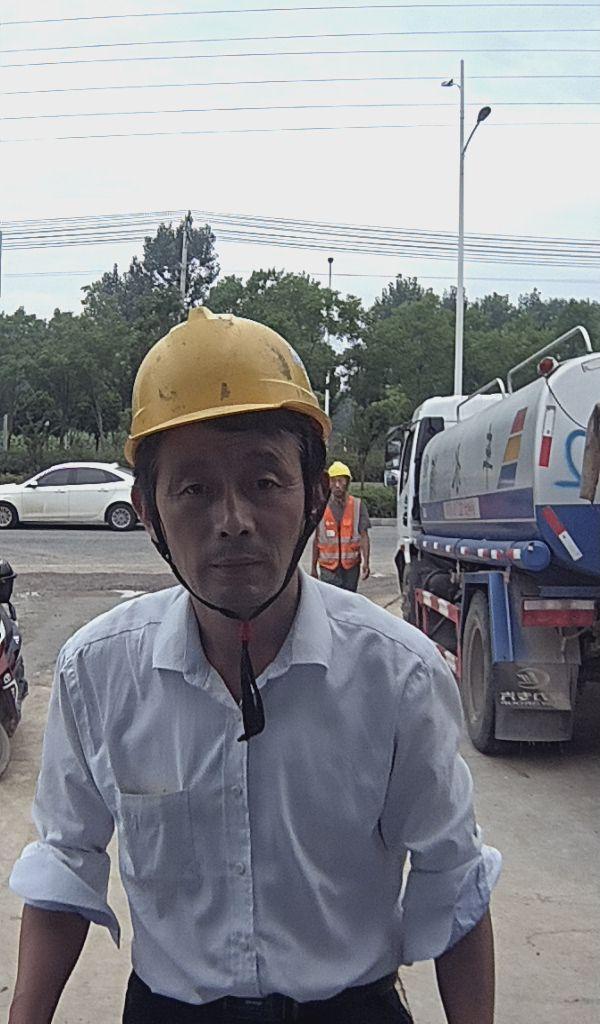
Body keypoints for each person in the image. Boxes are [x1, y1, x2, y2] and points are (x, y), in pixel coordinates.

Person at [9, 307, 500, 1024]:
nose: (233, 519)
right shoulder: (98, 673)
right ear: (147, 511)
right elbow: (66, 863)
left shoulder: (398, 675)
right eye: (194, 489)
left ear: (313, 496)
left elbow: (452, 879)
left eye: (265, 482)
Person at [311, 461, 370, 591]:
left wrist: (366, 562)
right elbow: (317, 539)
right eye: (333, 481)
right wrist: (313, 567)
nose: (337, 485)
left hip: (351, 567)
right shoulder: (321, 507)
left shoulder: (357, 506)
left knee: (348, 599)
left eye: (341, 481)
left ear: (347, 483)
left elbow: (364, 536)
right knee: (331, 599)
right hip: (328, 567)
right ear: (328, 483)